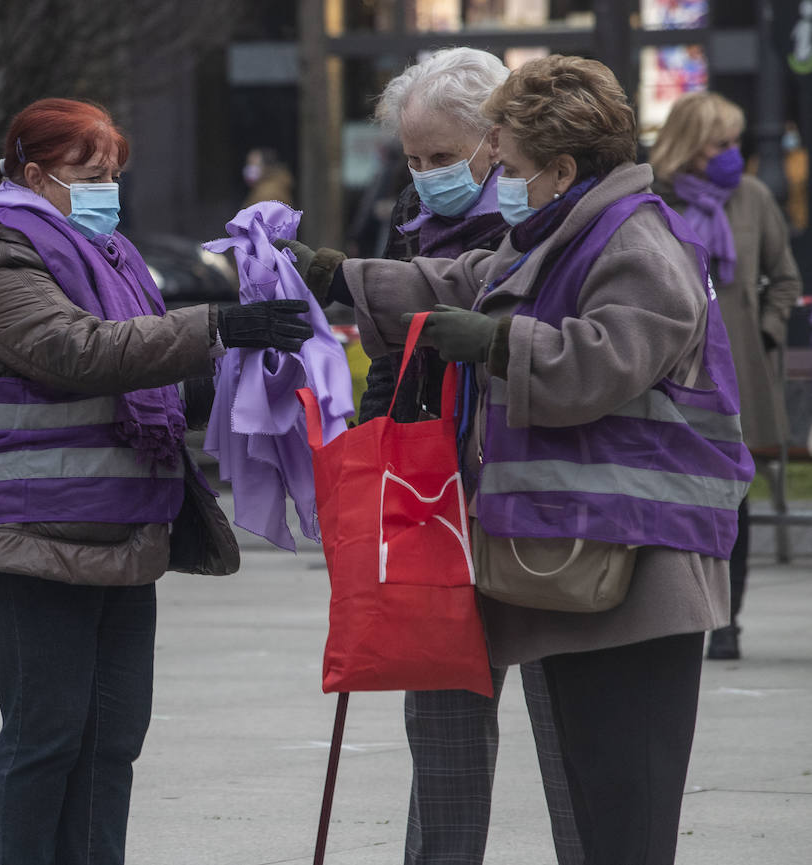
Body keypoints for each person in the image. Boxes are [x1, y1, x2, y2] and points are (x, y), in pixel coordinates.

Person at [285, 55, 750, 865]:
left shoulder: (636, 236)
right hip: (585, 559)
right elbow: (454, 278)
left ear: (562, 168)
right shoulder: (557, 232)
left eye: (513, 166)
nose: (501, 179)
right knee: (597, 803)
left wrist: (498, 342)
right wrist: (337, 275)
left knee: (623, 821)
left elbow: (600, 362)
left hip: (642, 569)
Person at [0, 98, 312, 865]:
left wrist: (256, 367)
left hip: (126, 525)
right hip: (35, 533)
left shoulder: (112, 255)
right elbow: (76, 349)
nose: (108, 188)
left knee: (111, 743)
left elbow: (152, 376)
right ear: (35, 175)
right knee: (45, 738)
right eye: (89, 173)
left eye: (114, 173)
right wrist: (218, 326)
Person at [284, 46, 582, 865]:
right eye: (413, 160)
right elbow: (396, 354)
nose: (425, 176)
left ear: (498, 139)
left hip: (529, 500)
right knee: (443, 726)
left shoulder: (548, 217)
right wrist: (373, 443)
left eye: (442, 158)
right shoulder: (417, 217)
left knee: (572, 730)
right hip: (433, 500)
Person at [649, 91, 803, 660]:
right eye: (721, 143)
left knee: (731, 501)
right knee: (672, 499)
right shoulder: (651, 200)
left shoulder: (754, 197)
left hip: (737, 375)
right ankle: (676, 617)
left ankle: (728, 622)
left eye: (736, 142)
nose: (732, 154)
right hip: (670, 376)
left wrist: (764, 332)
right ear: (689, 145)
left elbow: (785, 280)